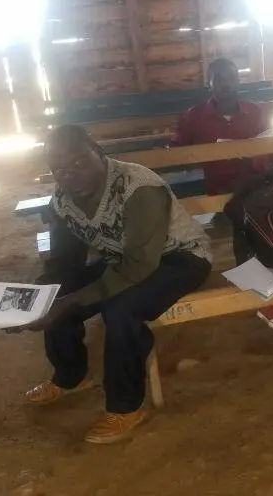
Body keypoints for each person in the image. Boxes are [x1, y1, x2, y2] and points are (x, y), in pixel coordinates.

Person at [23, 125, 212, 444]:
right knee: (60, 291)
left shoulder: (139, 188)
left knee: (121, 309)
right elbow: (64, 262)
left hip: (181, 258)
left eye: (80, 163)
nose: (71, 176)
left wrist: (73, 302)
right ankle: (71, 376)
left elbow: (139, 266)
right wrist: (35, 299)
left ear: (99, 152)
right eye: (60, 170)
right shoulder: (63, 200)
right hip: (124, 260)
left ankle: (126, 407)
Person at [173, 57, 273, 331]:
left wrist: (256, 153)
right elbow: (178, 154)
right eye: (218, 78)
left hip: (256, 185)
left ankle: (271, 292)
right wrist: (200, 155)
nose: (225, 83)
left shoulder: (255, 111)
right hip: (220, 191)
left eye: (230, 77)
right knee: (248, 220)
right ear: (209, 83)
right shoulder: (194, 116)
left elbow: (272, 150)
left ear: (238, 80)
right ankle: (270, 296)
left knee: (261, 219)